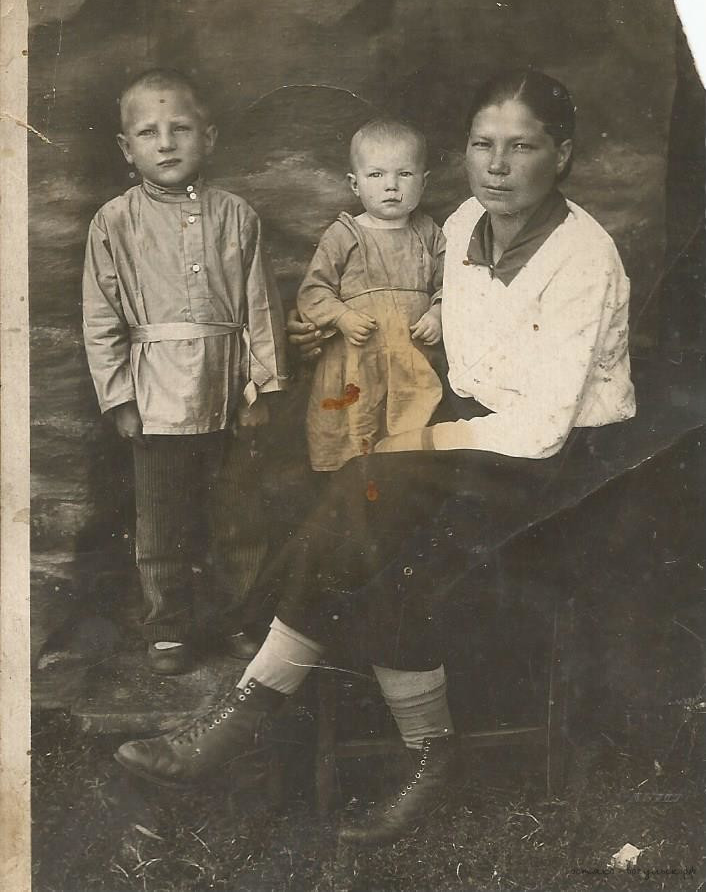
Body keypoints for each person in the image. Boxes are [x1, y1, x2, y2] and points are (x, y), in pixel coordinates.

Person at [114, 69, 635, 846]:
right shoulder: (462, 224)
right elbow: (451, 351)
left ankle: (246, 722)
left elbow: (541, 431)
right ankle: (379, 747)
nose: (496, 166)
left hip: (564, 472)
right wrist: (334, 334)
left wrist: (415, 443)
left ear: (561, 154)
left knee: (373, 511)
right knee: (362, 516)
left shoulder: (584, 257)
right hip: (476, 437)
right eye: (481, 145)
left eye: (522, 148)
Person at [82, 68, 288, 675]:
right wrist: (120, 399)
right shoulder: (114, 222)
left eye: (181, 128)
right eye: (148, 132)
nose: (166, 143)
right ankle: (168, 626)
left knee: (239, 518)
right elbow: (102, 317)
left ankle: (240, 619)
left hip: (229, 390)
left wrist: (263, 388)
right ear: (126, 148)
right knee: (161, 522)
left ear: (210, 137)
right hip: (156, 397)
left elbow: (261, 308)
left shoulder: (237, 216)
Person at [297, 119, 445, 471]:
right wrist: (341, 316)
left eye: (404, 174)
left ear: (424, 182)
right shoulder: (344, 234)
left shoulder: (429, 233)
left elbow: (454, 284)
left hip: (412, 363)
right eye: (376, 175)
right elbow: (314, 291)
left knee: (409, 452)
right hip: (356, 365)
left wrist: (438, 312)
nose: (391, 186)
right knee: (355, 444)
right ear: (355, 183)